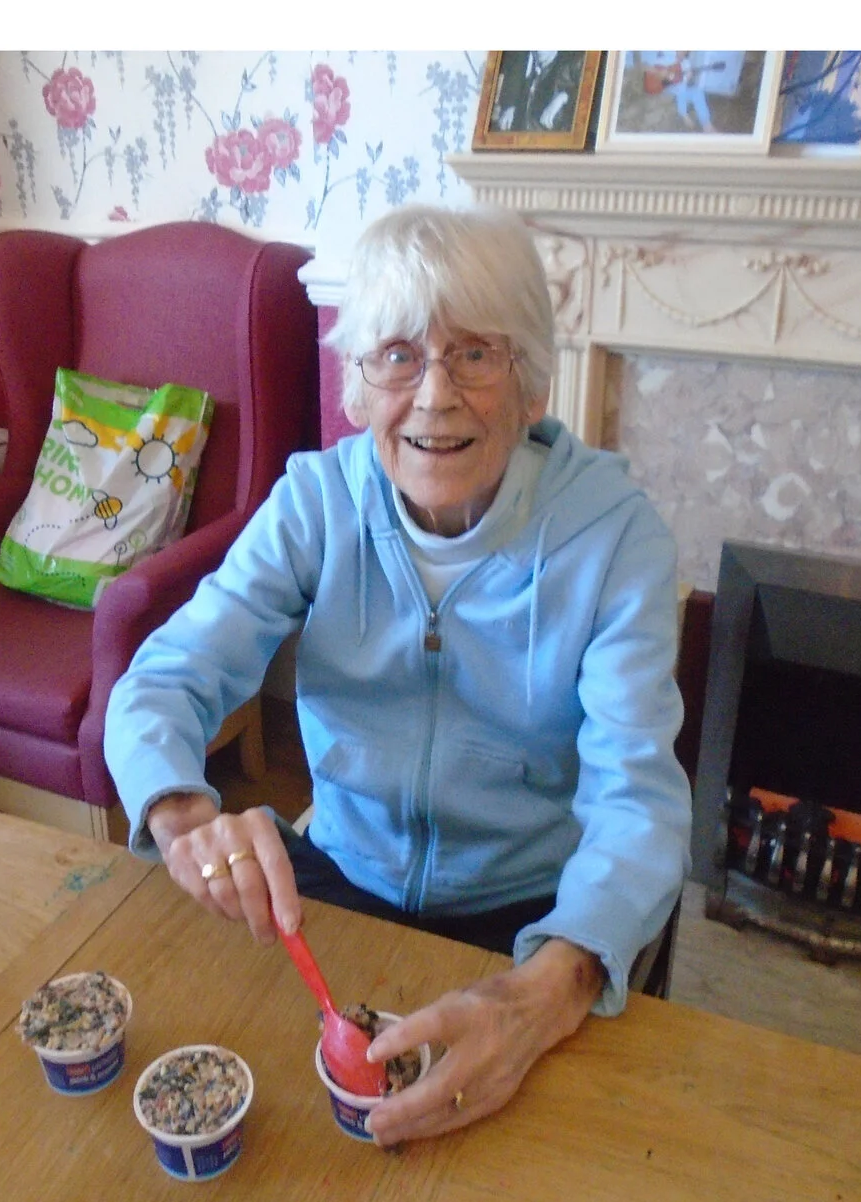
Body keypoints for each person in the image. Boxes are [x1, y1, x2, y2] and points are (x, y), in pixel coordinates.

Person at [103, 203, 691, 1146]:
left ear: (533, 381)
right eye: (398, 356)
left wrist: (548, 989)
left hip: (528, 920)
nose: (433, 396)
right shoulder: (316, 504)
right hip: (335, 881)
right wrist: (181, 816)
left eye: (476, 355)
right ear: (354, 385)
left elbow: (641, 806)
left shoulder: (614, 538)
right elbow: (163, 680)